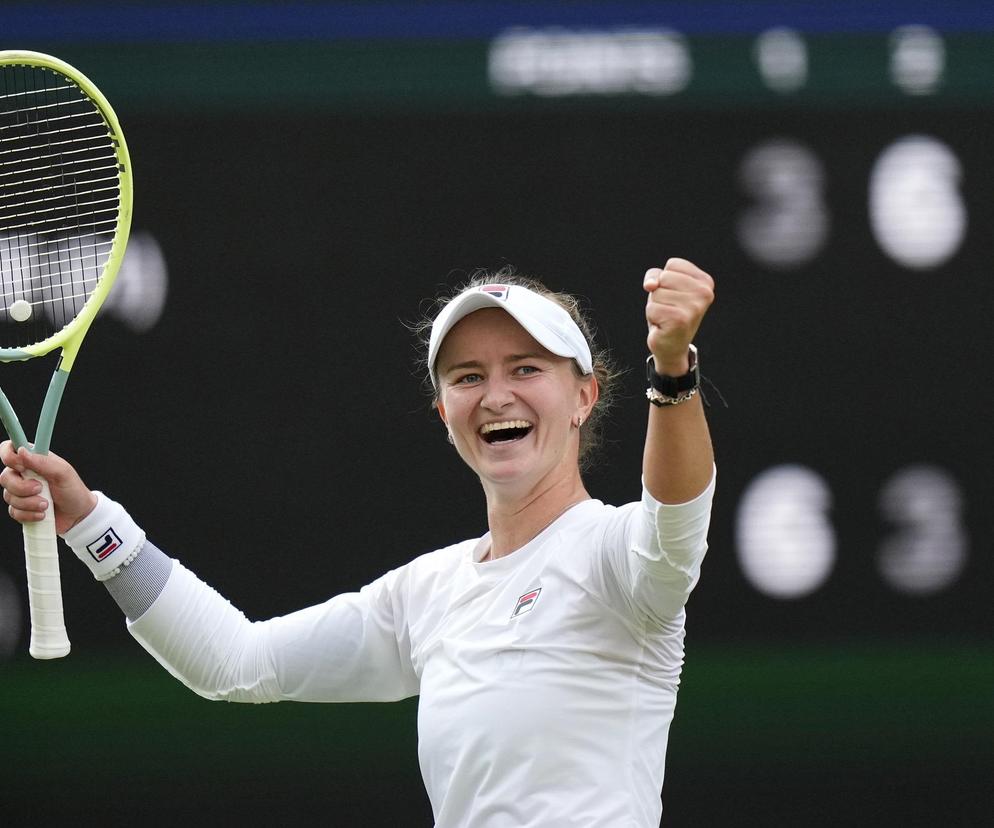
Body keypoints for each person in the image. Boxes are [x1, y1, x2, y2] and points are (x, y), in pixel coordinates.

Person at [1, 258, 716, 827]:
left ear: (583, 397)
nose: (496, 395)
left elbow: (675, 520)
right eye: (469, 377)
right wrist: (87, 519)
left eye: (526, 369)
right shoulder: (427, 593)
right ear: (445, 413)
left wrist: (673, 372)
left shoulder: (617, 556)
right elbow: (235, 661)